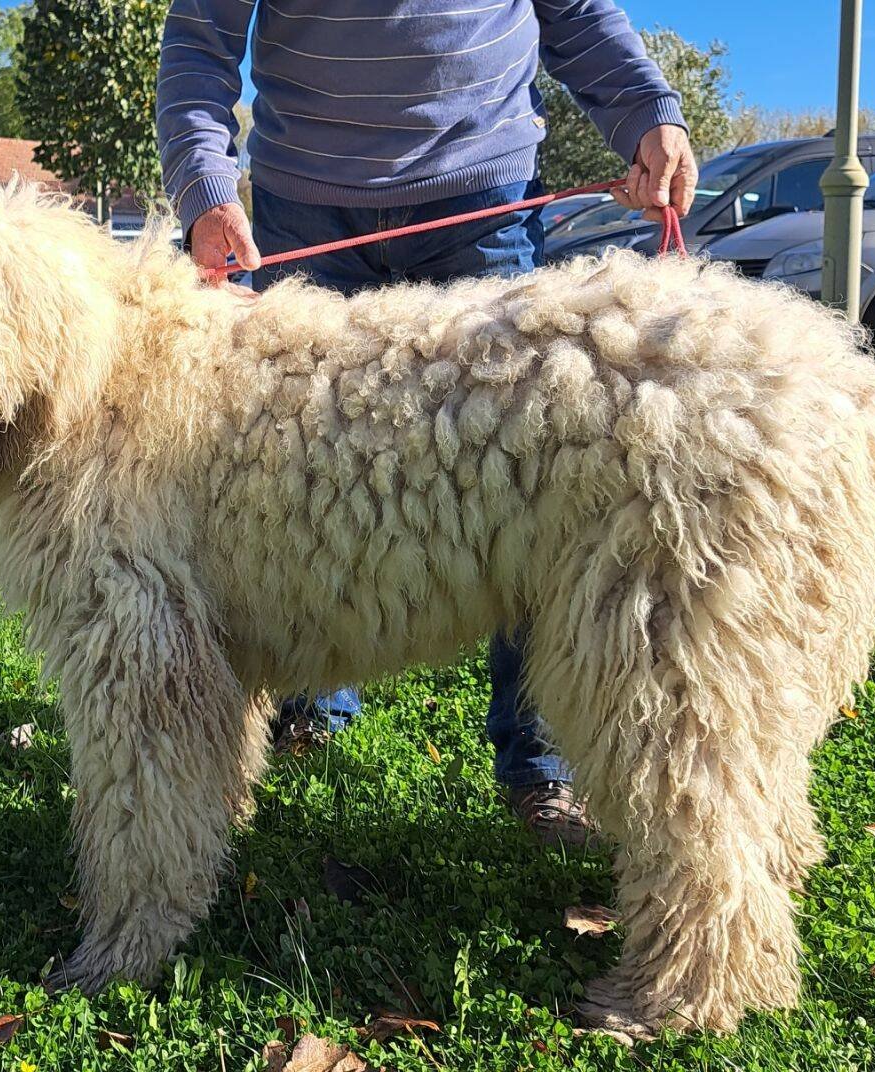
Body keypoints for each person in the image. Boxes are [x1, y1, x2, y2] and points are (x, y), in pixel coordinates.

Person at [156, 0, 698, 847]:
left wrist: (646, 112)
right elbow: (201, 36)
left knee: (529, 485)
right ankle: (310, 698)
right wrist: (203, 186)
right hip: (305, 209)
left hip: (483, 196)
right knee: (299, 482)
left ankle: (543, 765)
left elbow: (578, 13)